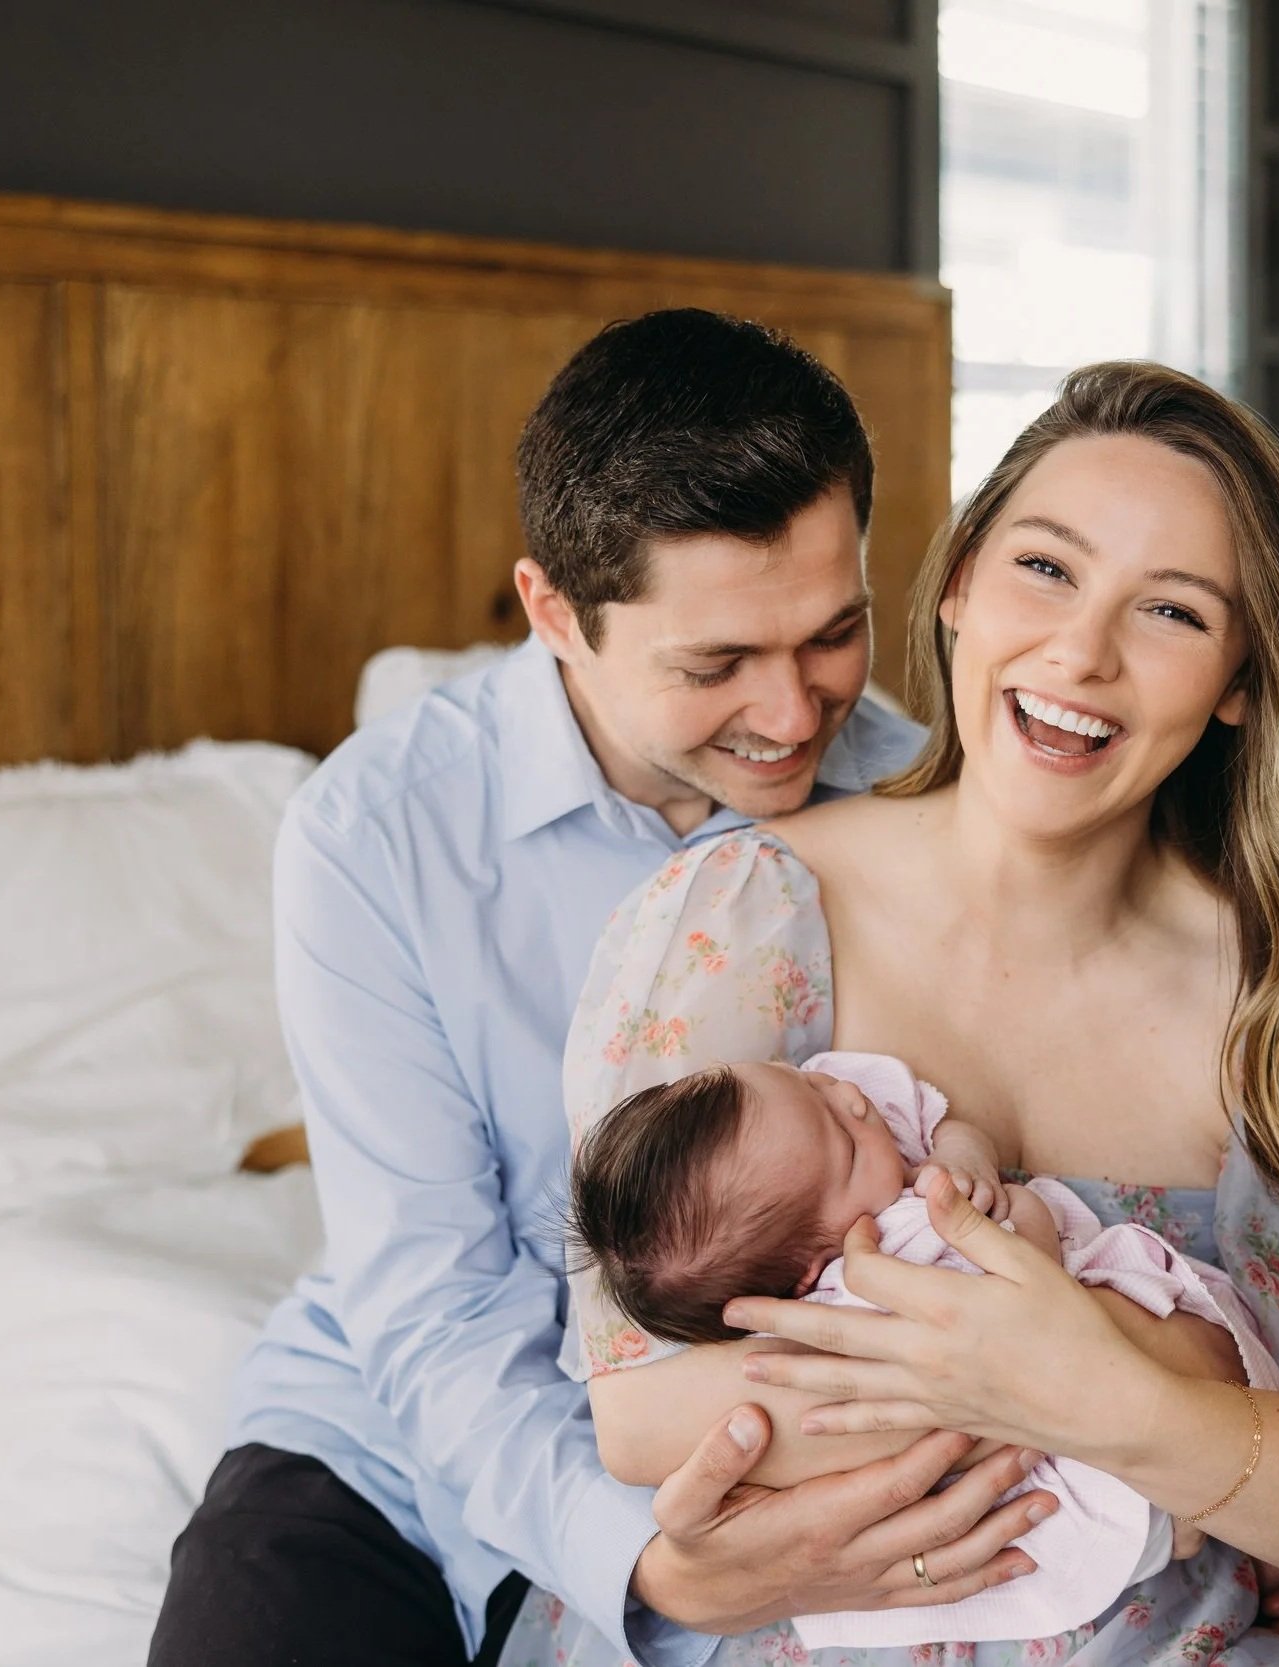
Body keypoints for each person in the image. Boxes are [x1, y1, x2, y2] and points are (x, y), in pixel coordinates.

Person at [520, 361, 1279, 1667]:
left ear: (1238, 676)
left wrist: (1115, 1400)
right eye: (1046, 568)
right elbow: (643, 1410)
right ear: (958, 584)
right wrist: (1156, 1402)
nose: (1082, 652)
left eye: (1171, 610)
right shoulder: (734, 917)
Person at [148, 309, 1016, 1667]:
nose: (794, 715)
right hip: (390, 1452)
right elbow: (432, 1307)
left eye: (831, 633)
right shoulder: (375, 835)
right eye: (715, 663)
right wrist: (649, 1566)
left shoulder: (923, 801)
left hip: (776, 1428)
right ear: (554, 610)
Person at [568, 1051, 1279, 1650]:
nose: (850, 1097)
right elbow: (1025, 1295)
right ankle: (1166, 1525)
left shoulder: (820, 1119)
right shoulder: (878, 1268)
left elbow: (936, 1122)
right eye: (846, 1141)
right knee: (1063, 1505)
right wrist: (1019, 1212)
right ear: (812, 1274)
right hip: (1044, 1468)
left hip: (1135, 1392)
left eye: (806, 1081)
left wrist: (962, 1153)